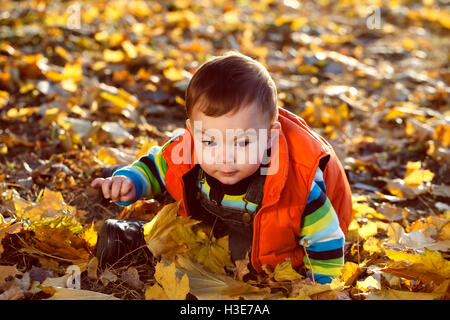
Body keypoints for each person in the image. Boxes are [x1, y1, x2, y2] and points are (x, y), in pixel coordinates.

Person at [91, 51, 353, 284]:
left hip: (277, 239)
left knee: (237, 256)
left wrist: (320, 284)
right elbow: (161, 162)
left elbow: (326, 240)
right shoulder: (191, 148)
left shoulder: (301, 184)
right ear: (192, 133)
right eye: (209, 141)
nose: (225, 157)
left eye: (242, 143)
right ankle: (119, 181)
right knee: (173, 181)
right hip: (211, 210)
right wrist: (133, 180)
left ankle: (138, 239)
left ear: (270, 136)